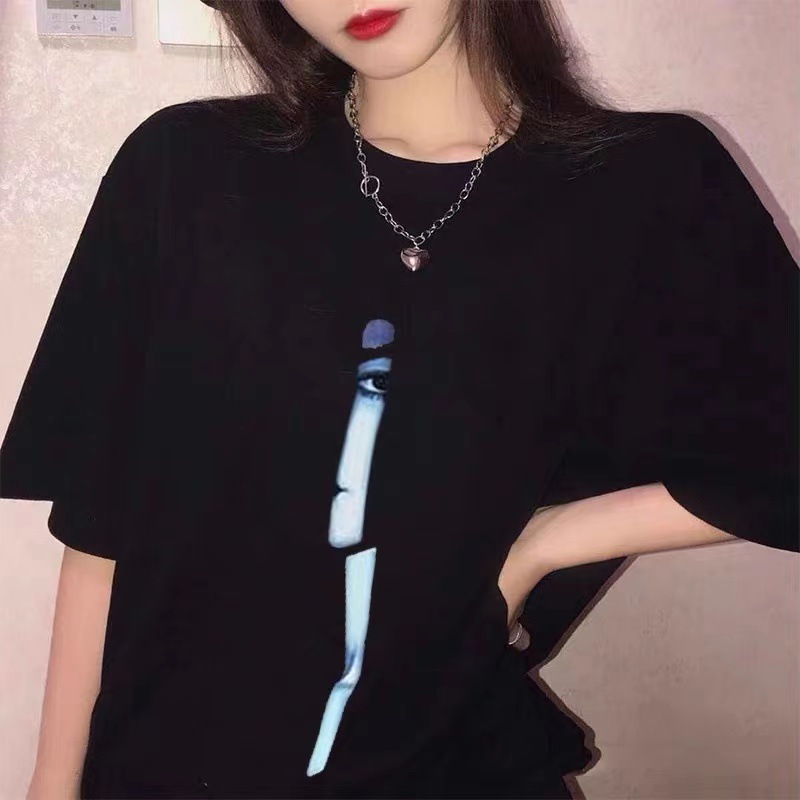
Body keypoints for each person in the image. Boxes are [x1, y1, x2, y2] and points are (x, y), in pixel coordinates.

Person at [1, 1, 797, 798]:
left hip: (451, 762)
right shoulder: (186, 168)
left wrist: (545, 544)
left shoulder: (644, 185)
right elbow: (104, 518)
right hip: (168, 769)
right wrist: (51, 783)